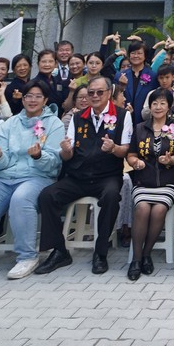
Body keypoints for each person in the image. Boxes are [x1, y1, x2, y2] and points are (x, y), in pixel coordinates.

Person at [0, 82, 65, 282]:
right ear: (22, 99)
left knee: (21, 199)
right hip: (4, 177)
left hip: (37, 176)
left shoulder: (54, 124)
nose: (32, 100)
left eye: (37, 96)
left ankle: (27, 256)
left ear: (45, 100)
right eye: (28, 96)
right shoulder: (10, 123)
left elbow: (54, 164)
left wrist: (38, 156)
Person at [35, 75, 129, 276]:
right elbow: (67, 155)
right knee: (47, 196)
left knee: (112, 196)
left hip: (107, 175)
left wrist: (113, 148)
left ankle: (100, 252)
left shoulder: (122, 116)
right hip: (78, 175)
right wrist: (65, 150)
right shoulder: (78, 117)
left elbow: (126, 150)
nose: (94, 96)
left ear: (109, 93)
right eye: (91, 93)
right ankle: (59, 251)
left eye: (99, 92)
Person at [125, 88, 174, 280]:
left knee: (159, 209)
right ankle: (136, 259)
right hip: (144, 181)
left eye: (162, 103)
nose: (158, 107)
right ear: (149, 107)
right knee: (142, 208)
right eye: (154, 103)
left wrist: (170, 160)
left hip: (168, 182)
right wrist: (135, 162)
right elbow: (131, 154)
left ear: (169, 107)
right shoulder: (140, 128)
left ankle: (147, 254)